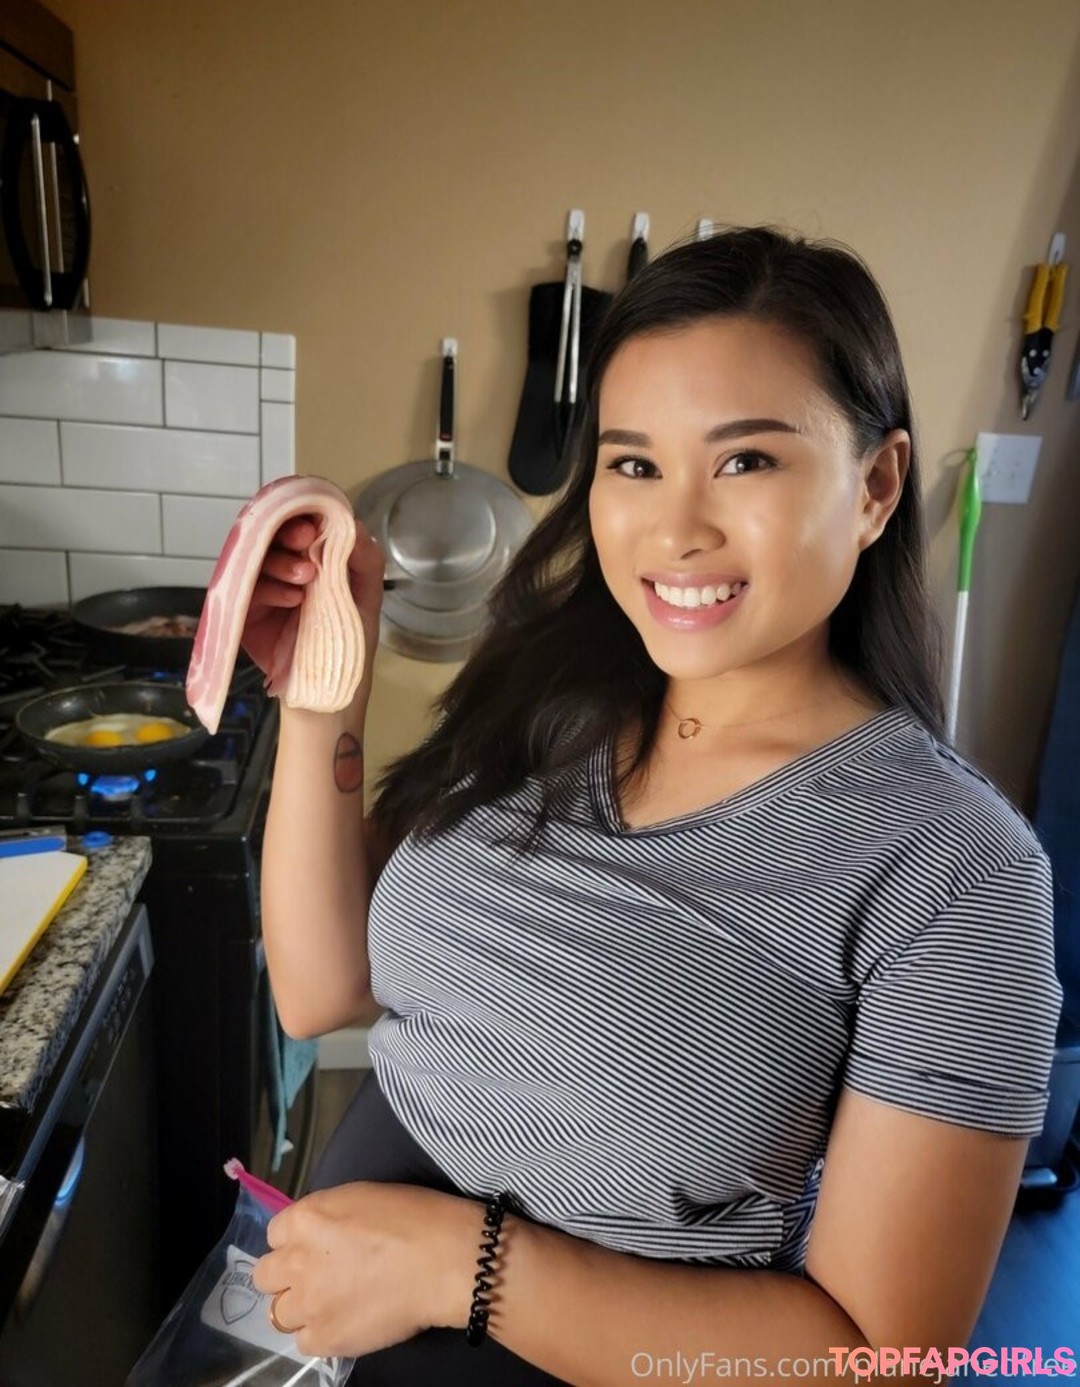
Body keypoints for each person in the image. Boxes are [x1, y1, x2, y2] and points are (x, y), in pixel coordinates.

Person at [247, 226, 1062, 1385]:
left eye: (747, 461)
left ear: (877, 487)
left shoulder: (956, 867)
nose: (676, 529)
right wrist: (321, 696)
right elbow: (322, 988)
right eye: (633, 465)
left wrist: (458, 1268)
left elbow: (883, 1356)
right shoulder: (544, 706)